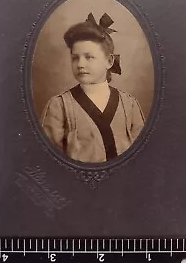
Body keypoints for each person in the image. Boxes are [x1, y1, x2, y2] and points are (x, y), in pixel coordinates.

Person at [41, 12, 145, 163]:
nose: (81, 64)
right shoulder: (59, 106)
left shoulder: (129, 105)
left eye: (89, 57)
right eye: (75, 58)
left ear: (109, 61)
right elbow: (49, 160)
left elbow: (142, 155)